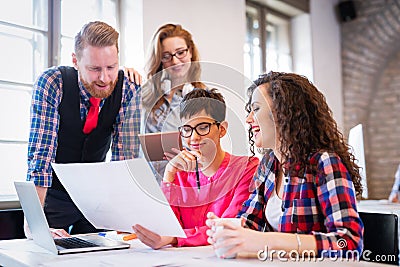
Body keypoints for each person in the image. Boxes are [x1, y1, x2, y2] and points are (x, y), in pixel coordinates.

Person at [206, 72, 364, 259]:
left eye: (255, 109)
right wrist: (227, 230)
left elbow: (349, 243)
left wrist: (267, 241)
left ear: (283, 113)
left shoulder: (324, 163)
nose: (248, 119)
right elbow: (249, 223)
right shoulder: (268, 165)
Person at [26, 21, 141, 237]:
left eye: (111, 67)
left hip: (96, 196)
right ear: (75, 61)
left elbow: (124, 159)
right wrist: (34, 225)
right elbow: (40, 157)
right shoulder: (52, 83)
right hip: (53, 193)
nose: (105, 78)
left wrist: (123, 219)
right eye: (94, 69)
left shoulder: (128, 88)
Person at [132, 88, 259, 248]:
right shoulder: (178, 173)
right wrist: (168, 174)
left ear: (222, 129)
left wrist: (175, 239)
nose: (193, 137)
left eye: (203, 127)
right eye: (186, 129)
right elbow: (166, 226)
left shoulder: (246, 168)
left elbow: (228, 228)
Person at [138, 23, 206, 183]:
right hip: (150, 183)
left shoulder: (204, 97)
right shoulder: (147, 96)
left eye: (180, 52)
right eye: (166, 56)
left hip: (186, 185)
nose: (175, 61)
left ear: (190, 52)